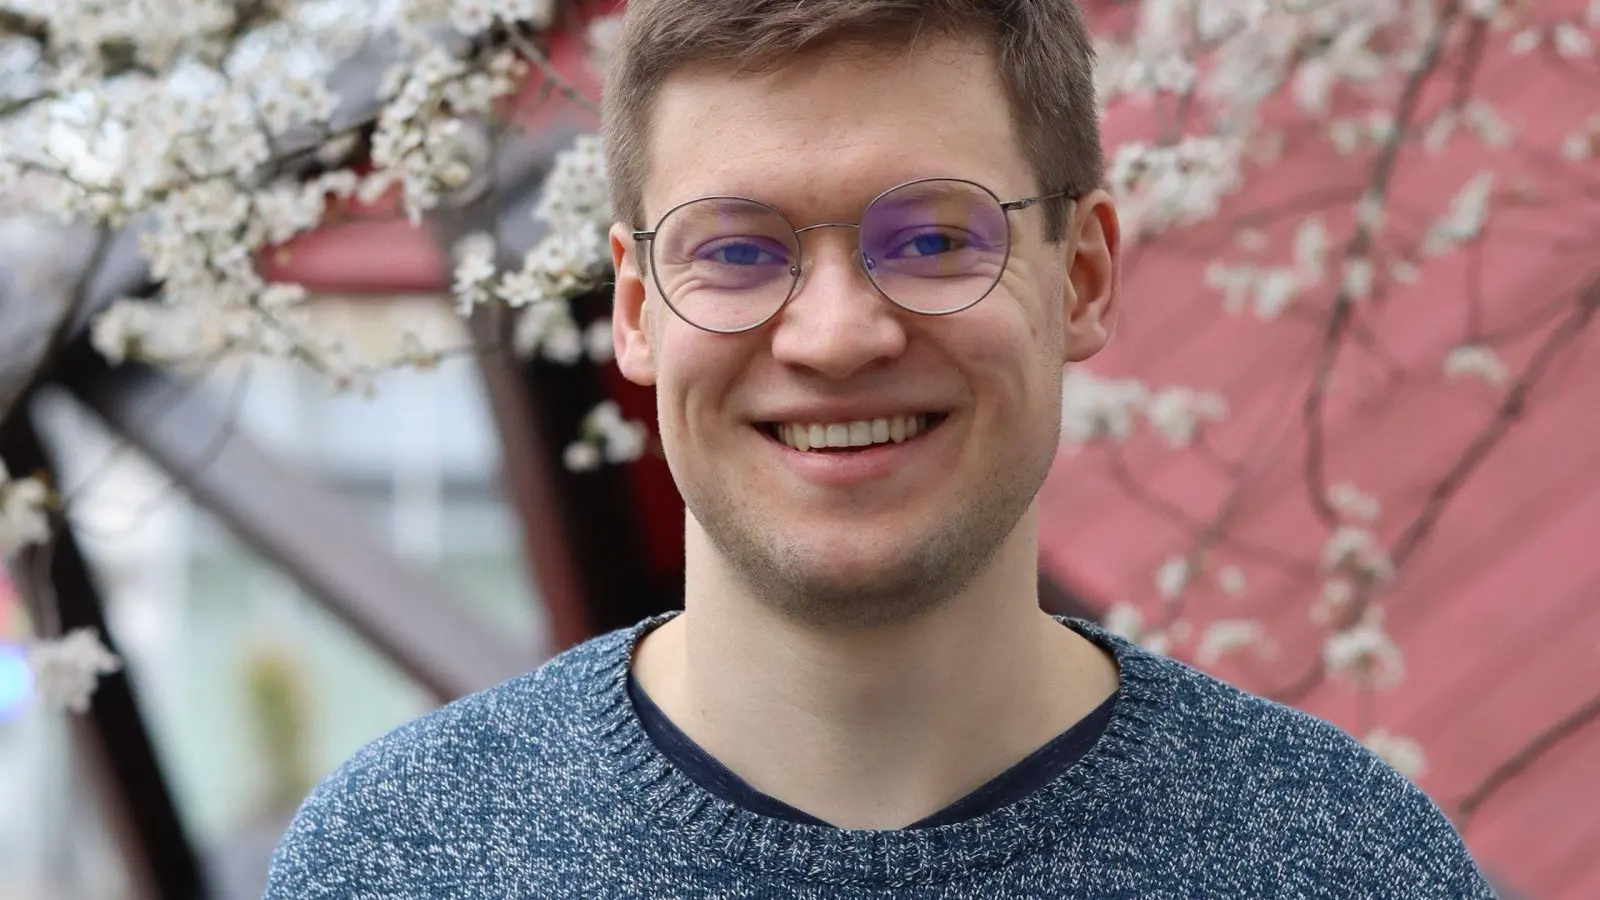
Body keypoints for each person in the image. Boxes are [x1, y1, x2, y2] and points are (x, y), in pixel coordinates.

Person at [264, 1, 1498, 896]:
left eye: (934, 239)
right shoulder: (394, 859)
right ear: (637, 313)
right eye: (737, 251)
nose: (838, 336)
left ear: (1081, 276)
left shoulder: (1347, 863)